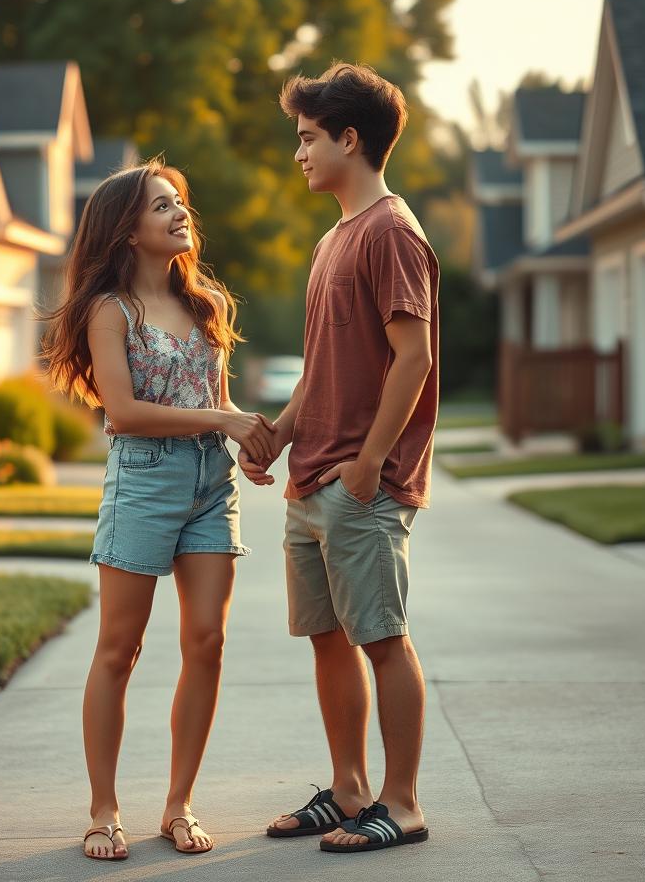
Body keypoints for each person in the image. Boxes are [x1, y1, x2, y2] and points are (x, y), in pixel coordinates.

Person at [42, 159, 276, 862]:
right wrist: (222, 421)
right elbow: (124, 412)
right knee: (121, 648)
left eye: (180, 202)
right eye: (161, 206)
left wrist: (246, 439)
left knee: (208, 640)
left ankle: (179, 805)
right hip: (143, 484)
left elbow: (221, 401)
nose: (180, 214)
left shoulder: (207, 305)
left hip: (210, 485)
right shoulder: (108, 311)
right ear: (127, 230)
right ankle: (102, 810)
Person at [240, 63, 440, 853]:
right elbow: (328, 369)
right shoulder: (334, 238)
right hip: (311, 478)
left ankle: (404, 801)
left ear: (350, 139)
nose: (299, 154)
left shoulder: (390, 231)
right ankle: (352, 789)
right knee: (328, 639)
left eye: (308, 138)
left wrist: (369, 465)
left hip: (360, 483)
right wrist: (281, 433)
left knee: (381, 638)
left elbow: (414, 357)